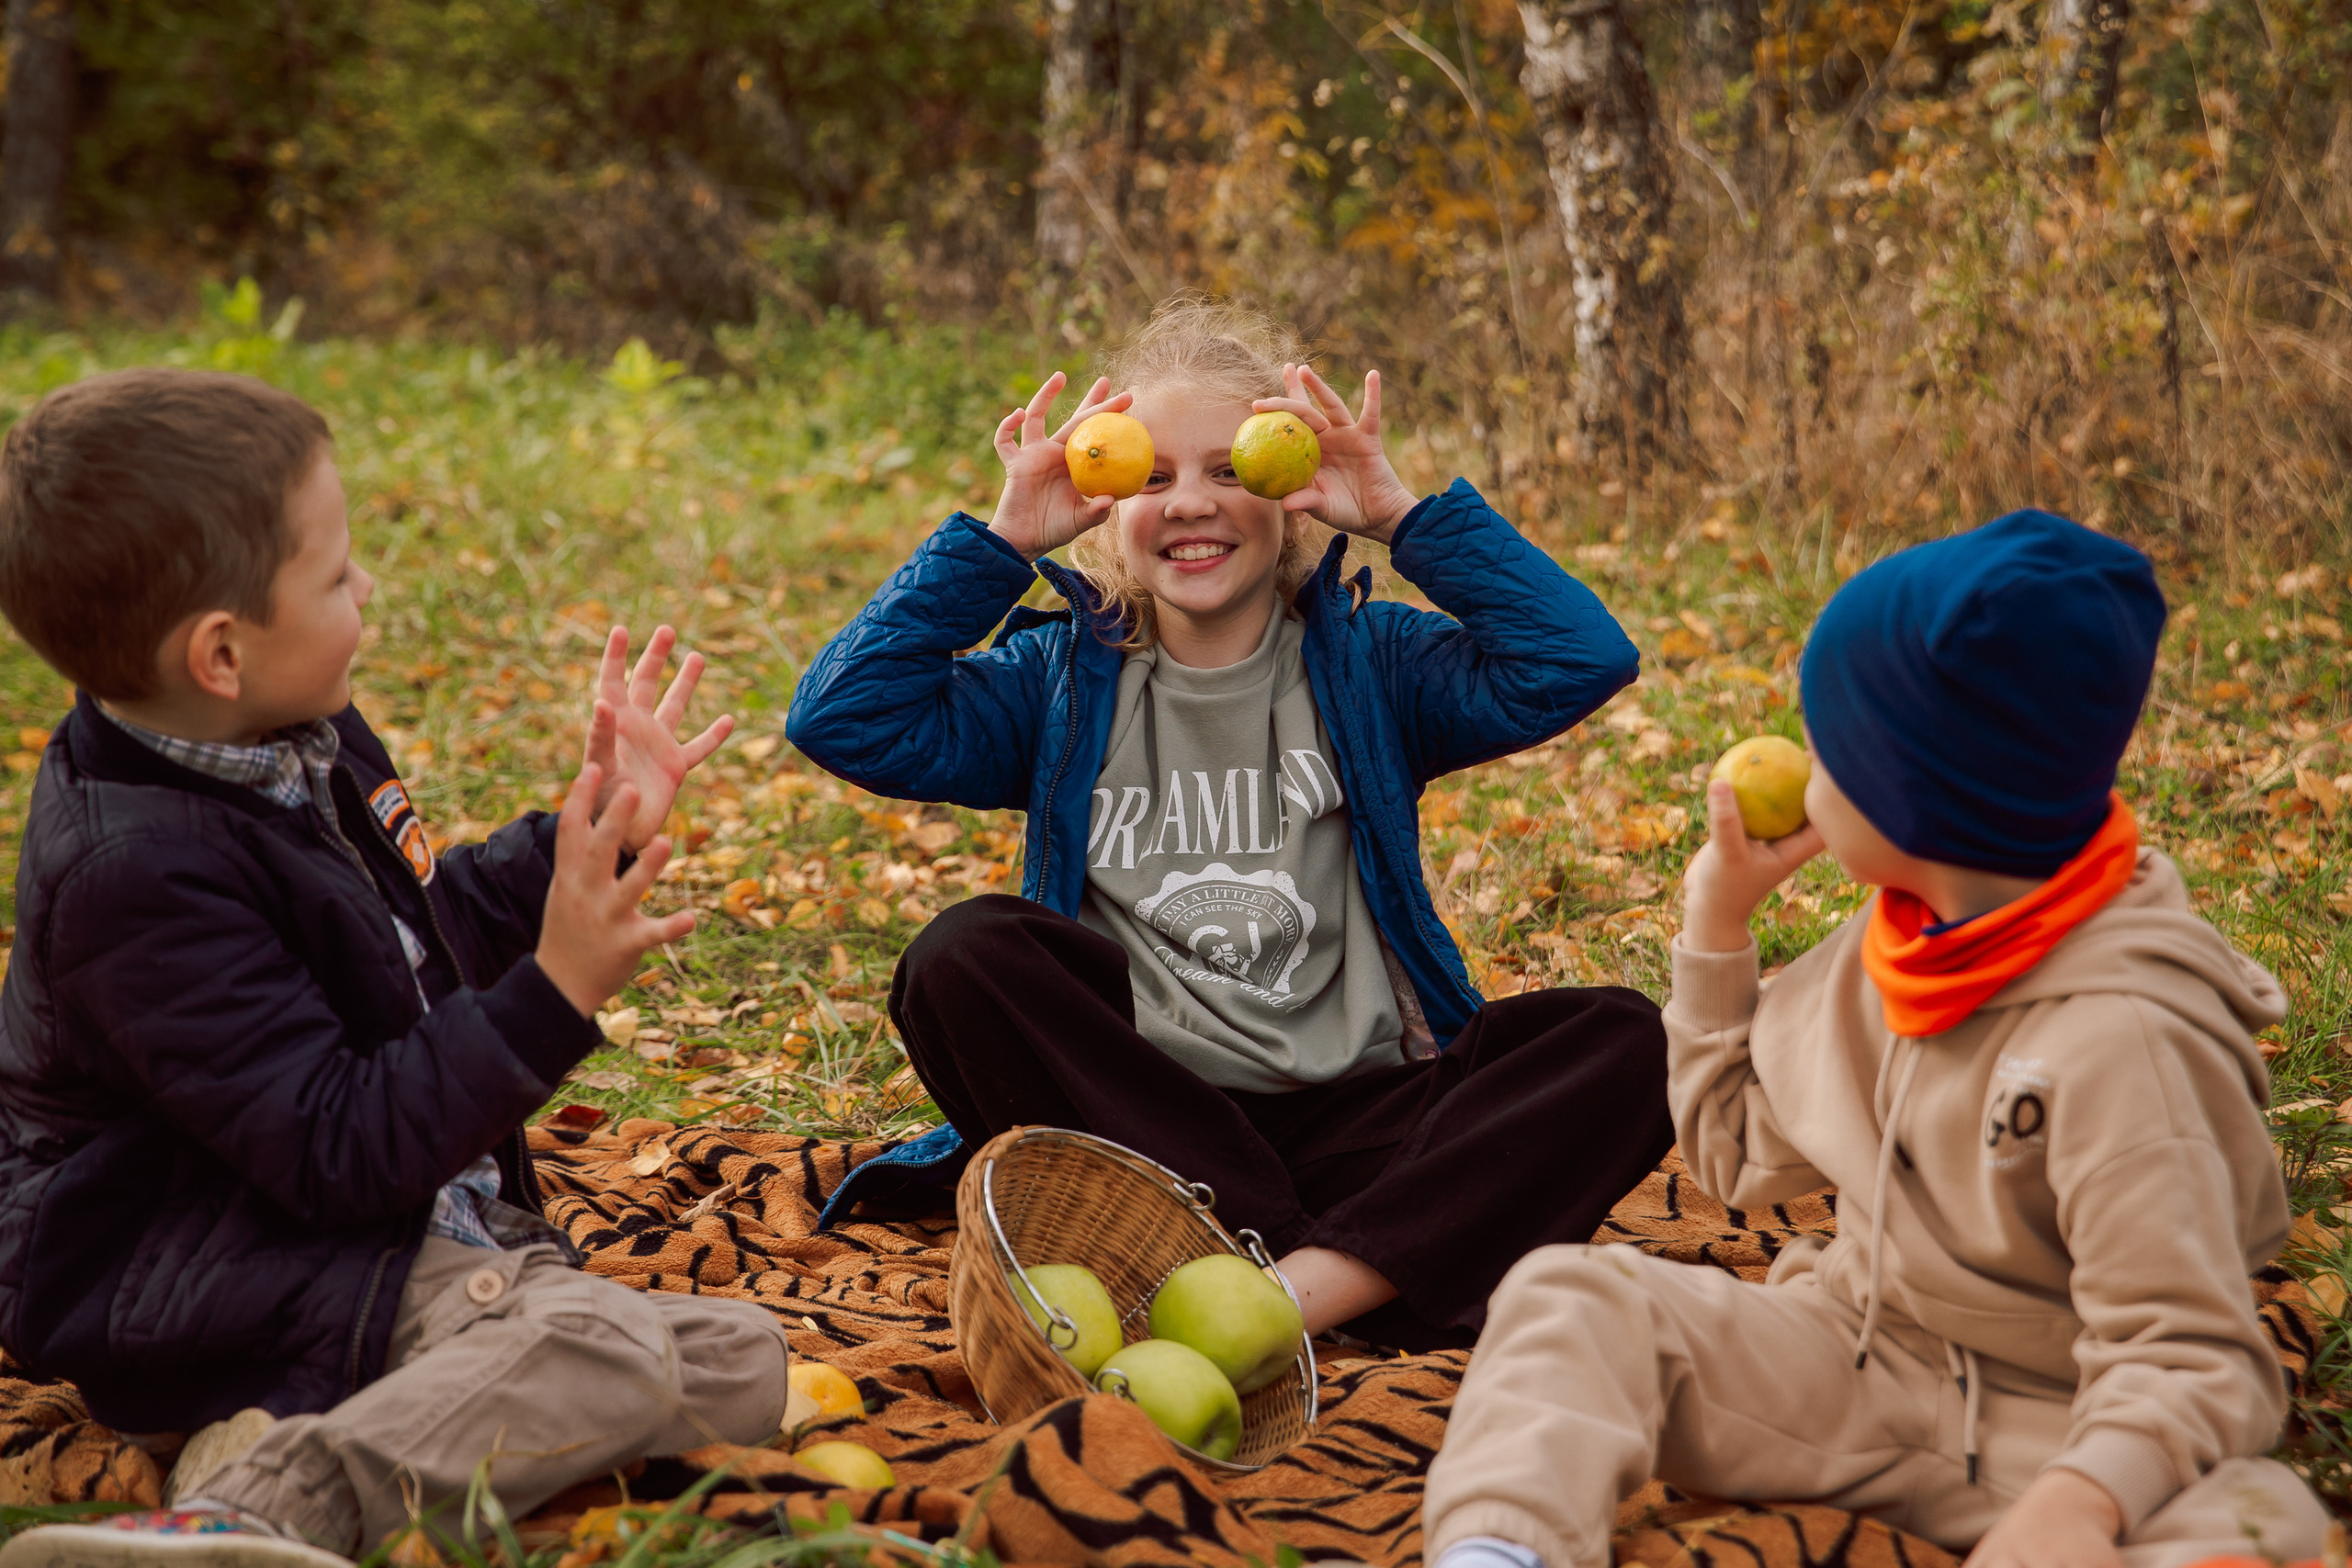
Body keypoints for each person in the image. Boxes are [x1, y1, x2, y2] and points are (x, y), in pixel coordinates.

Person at [1422, 511, 2327, 1568]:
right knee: (1568, 1296)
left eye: (1831, 749)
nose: (1806, 773)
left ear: (1916, 796)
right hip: (1859, 1359)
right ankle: (1498, 1553)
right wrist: (1717, 931)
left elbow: (2190, 1356)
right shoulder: (1894, 941)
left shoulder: (2123, 1039)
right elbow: (1732, 1159)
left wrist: (2078, 1505)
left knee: (2261, 1523)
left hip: (2063, 1422)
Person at [0, 368, 786, 1568]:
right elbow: (336, 1146)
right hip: (196, 1273)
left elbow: (419, 937)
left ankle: (271, 1435)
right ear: (222, 651)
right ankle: (246, 1514)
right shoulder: (133, 874)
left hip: (334, 1226)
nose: (365, 587)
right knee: (607, 1348)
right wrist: (555, 990)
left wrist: (581, 836)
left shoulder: (296, 733)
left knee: (741, 1363)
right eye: (334, 573)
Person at [787, 298, 1672, 1351]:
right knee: (962, 956)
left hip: (1366, 1123)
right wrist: (1000, 540)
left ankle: (1271, 1298)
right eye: (1150, 477)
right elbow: (843, 718)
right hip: (1140, 1127)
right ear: (1104, 502)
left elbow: (1581, 658)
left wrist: (1398, 514)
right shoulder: (1056, 682)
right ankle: (1340, 1276)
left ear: (1291, 494)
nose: (1190, 504)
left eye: (1230, 471)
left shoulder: (1373, 667)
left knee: (1625, 1040)